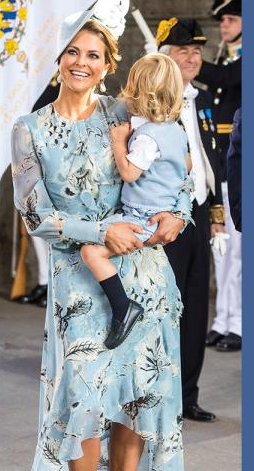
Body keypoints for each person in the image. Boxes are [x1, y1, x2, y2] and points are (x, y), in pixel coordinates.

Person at [12, 3, 187, 471]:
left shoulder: (127, 113)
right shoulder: (30, 129)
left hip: (144, 268)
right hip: (78, 276)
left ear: (109, 64)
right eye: (71, 52)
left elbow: (177, 174)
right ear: (57, 59)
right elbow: (35, 214)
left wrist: (178, 215)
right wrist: (98, 229)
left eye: (93, 55)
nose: (80, 62)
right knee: (85, 394)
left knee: (132, 395)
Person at [79, 52, 192, 350]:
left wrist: (118, 142)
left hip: (140, 216)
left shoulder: (147, 136)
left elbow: (129, 173)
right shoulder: (176, 131)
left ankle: (123, 307)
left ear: (137, 89)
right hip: (152, 210)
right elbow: (187, 166)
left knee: (92, 252)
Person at [157, 18, 226, 422]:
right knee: (165, 308)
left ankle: (187, 396)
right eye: (183, 50)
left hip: (198, 214)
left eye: (197, 51)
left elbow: (209, 163)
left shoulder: (202, 100)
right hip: (165, 217)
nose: (192, 57)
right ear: (164, 55)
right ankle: (157, 397)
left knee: (197, 307)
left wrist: (215, 216)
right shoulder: (152, 104)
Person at [199, 0, 243, 353]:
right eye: (223, 20)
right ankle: (222, 320)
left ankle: (239, 324)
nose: (224, 25)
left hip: (240, 167)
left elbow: (226, 78)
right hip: (220, 163)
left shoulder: (243, 61)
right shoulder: (227, 56)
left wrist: (190, 60)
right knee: (222, 251)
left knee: (239, 253)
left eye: (231, 19)